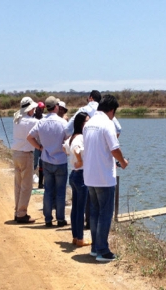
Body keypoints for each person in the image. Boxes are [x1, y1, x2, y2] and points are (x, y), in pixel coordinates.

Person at [83, 94, 128, 262]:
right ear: (111, 110)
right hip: (104, 177)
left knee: (94, 213)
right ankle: (103, 250)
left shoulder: (89, 124)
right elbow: (114, 148)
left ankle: (95, 248)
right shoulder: (107, 124)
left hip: (89, 176)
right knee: (105, 214)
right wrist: (123, 162)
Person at [27, 96, 68, 227]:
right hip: (61, 160)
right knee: (61, 191)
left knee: (48, 190)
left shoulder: (41, 122)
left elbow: (29, 137)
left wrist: (39, 147)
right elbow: (69, 140)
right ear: (56, 107)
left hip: (46, 159)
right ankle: (60, 219)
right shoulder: (63, 123)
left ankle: (48, 219)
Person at [63, 112, 91, 247]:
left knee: (76, 208)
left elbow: (65, 148)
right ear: (81, 123)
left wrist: (74, 160)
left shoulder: (72, 137)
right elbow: (76, 150)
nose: (89, 123)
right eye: (87, 121)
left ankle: (75, 236)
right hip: (81, 174)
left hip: (74, 174)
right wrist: (79, 160)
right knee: (80, 208)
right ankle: (80, 238)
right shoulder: (80, 137)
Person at [12, 97, 39, 224]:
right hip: (26, 154)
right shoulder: (30, 121)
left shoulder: (16, 118)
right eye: (33, 109)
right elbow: (40, 126)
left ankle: (17, 211)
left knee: (18, 184)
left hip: (16, 153)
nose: (34, 110)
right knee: (26, 186)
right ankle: (22, 213)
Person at [33, 102, 45, 189]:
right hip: (34, 144)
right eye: (38, 109)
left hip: (43, 145)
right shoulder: (32, 118)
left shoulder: (44, 118)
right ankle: (29, 182)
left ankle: (40, 183)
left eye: (41, 109)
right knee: (33, 164)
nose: (39, 111)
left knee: (42, 164)